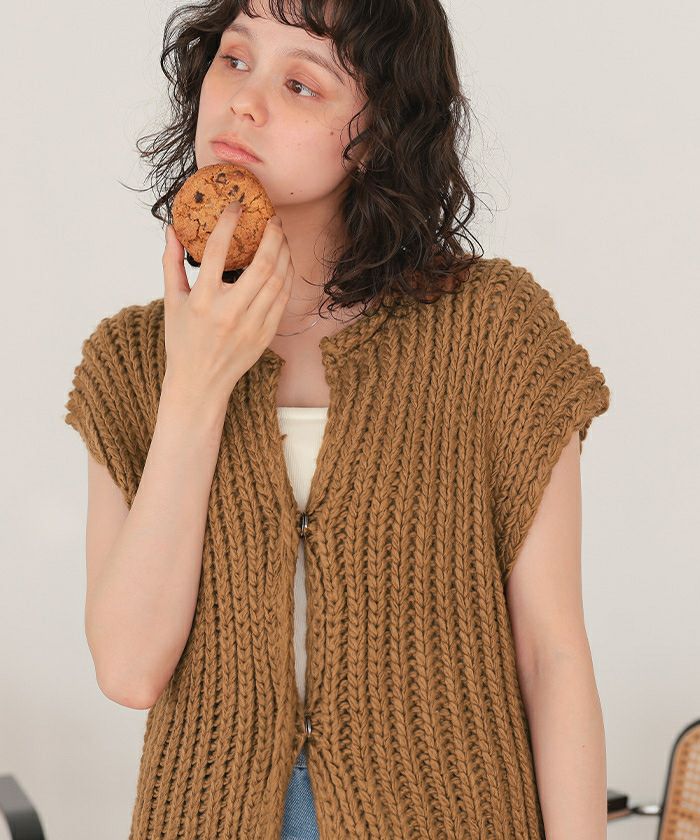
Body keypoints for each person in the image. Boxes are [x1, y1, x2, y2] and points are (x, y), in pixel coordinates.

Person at [64, 1, 612, 838]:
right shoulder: (132, 362)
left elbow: (553, 654)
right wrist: (196, 386)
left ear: (380, 133)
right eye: (234, 60)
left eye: (301, 84)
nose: (245, 102)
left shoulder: (493, 332)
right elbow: (131, 670)